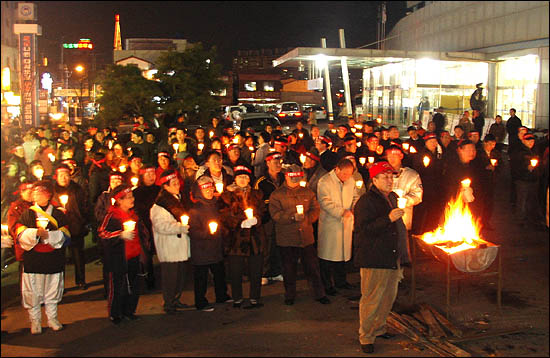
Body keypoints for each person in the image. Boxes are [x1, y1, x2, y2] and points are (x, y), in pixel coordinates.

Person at [353, 161, 406, 354]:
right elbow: (363, 230)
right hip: (374, 257)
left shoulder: (392, 197)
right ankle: (366, 336)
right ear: (374, 180)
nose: (389, 180)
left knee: (388, 297)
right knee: (372, 298)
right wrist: (388, 219)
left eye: (391, 176)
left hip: (391, 256)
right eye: (385, 176)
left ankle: (379, 328)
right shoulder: (366, 201)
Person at [269, 164, 329, 306]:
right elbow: (275, 214)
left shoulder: (307, 192)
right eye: (293, 178)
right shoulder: (277, 195)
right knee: (289, 269)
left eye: (298, 177)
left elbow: (316, 209)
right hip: (287, 238)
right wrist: (291, 217)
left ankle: (319, 293)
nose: (296, 181)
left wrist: (307, 219)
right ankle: (290, 295)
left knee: (313, 267)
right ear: (286, 177)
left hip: (306, 237)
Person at [16, 180, 71, 334]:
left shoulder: (58, 214)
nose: (37, 195)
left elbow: (66, 236)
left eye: (40, 192)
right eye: (35, 193)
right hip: (34, 260)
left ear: (48, 195)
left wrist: (50, 236)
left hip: (53, 259)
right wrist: (34, 234)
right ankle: (35, 321)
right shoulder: (27, 214)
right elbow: (20, 236)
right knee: (32, 292)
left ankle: (52, 318)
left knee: (52, 290)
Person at [99, 184, 150, 324]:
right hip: (118, 258)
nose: (131, 199)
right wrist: (120, 234)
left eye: (132, 196)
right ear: (119, 200)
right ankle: (115, 313)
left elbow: (142, 233)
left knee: (133, 285)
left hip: (134, 255)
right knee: (117, 286)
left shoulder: (134, 214)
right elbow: (103, 234)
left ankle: (129, 310)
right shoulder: (112, 216)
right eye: (127, 198)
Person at [220, 166, 265, 309]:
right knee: (236, 270)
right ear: (235, 179)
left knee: (256, 269)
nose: (243, 179)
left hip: (254, 238)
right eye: (240, 177)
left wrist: (256, 219)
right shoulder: (227, 196)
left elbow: (263, 211)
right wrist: (239, 222)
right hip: (236, 239)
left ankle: (255, 297)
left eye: (246, 177)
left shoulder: (257, 194)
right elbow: (223, 215)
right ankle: (237, 297)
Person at [150, 171, 192, 314]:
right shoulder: (160, 206)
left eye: (177, 182)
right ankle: (169, 302)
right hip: (170, 246)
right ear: (165, 187)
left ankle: (175, 299)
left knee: (180, 276)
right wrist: (180, 227)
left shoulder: (177, 199)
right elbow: (161, 226)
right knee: (170, 277)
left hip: (179, 245)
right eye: (173, 184)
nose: (177, 185)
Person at [316, 158, 361, 296]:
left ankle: (341, 281)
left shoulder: (351, 180)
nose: (347, 177)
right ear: (337, 169)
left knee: (342, 255)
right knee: (328, 256)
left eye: (349, 174)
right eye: (344, 174)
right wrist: (341, 212)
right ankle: (327, 285)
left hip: (346, 223)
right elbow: (324, 202)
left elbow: (355, 196)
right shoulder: (325, 181)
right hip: (331, 223)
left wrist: (354, 208)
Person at [52, 164, 90, 290]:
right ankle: (59, 285)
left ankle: (80, 280)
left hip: (75, 226)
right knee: (59, 258)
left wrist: (83, 220)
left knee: (78, 255)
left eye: (66, 175)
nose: (64, 178)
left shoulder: (77, 189)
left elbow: (85, 205)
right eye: (61, 175)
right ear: (56, 177)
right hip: (58, 229)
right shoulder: (53, 191)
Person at [254, 152, 285, 285]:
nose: (278, 165)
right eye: (275, 162)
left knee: (279, 244)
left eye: (280, 162)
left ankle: (276, 271)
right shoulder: (261, 181)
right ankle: (264, 272)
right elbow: (256, 200)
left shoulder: (284, 178)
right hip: (267, 218)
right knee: (266, 245)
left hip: (282, 217)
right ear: (268, 163)